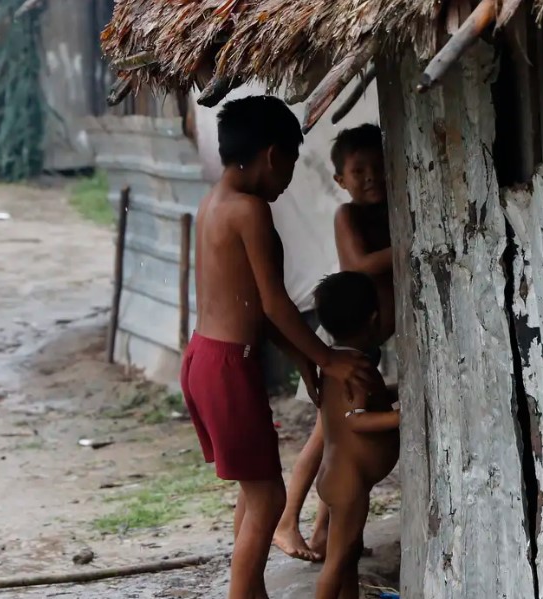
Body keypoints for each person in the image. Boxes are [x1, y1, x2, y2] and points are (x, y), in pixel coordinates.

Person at [179, 95, 375, 599]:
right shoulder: (251, 211)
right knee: (269, 499)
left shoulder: (212, 204)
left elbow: (244, 303)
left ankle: (251, 590)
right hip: (228, 365)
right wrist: (328, 357)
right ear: (272, 155)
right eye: (290, 163)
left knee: (255, 489)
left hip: (204, 357)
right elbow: (274, 303)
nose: (289, 177)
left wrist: (301, 357)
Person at [274, 123, 394, 562]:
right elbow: (359, 266)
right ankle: (287, 520)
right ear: (340, 180)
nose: (371, 177)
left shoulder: (389, 211)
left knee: (336, 444)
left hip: (366, 345)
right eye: (358, 170)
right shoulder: (348, 216)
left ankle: (327, 532)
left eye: (379, 167)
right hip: (342, 345)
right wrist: (412, 243)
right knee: (324, 438)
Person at [312, 271, 399, 599]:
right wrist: (398, 418)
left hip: (336, 476)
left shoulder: (339, 363)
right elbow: (356, 420)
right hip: (348, 484)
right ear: (374, 319)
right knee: (335, 563)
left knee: (348, 555)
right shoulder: (357, 368)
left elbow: (367, 400)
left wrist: (397, 391)